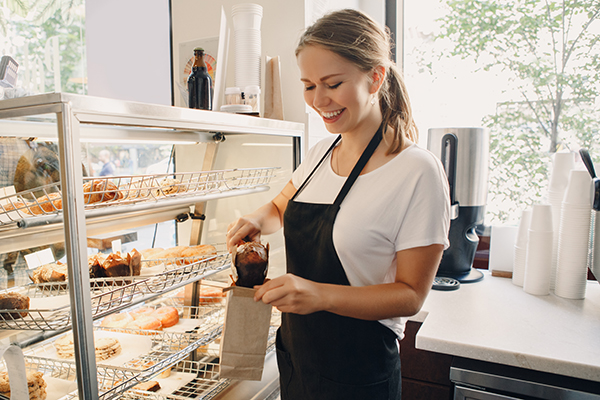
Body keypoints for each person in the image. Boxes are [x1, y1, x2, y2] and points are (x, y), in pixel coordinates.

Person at [226, 9, 450, 400]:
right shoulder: (318, 155)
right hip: (297, 360)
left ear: (375, 77)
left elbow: (411, 295)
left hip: (359, 375)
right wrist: (256, 218)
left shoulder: (417, 171)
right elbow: (281, 207)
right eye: (309, 85)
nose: (319, 100)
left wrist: (319, 295)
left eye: (332, 83)